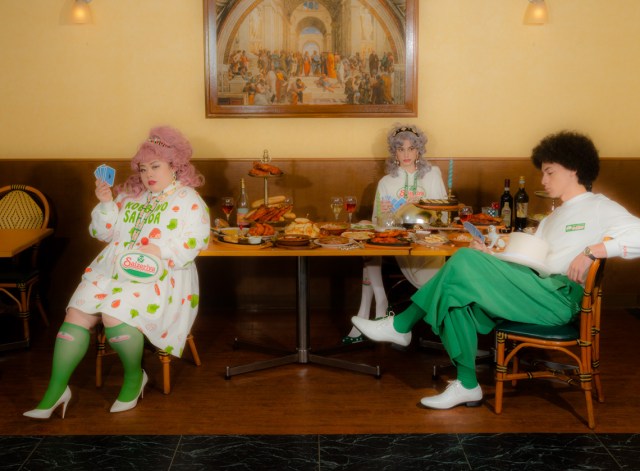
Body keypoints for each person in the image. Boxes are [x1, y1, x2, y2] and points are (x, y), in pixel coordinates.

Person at [352, 130, 640, 409]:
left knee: (462, 259)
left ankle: (400, 325)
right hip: (533, 289)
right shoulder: (553, 217)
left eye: (550, 172)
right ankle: (467, 385)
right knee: (455, 295)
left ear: (573, 169)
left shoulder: (598, 206)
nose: (543, 180)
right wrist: (491, 254)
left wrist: (594, 251)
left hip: (558, 299)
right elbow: (529, 259)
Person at [24, 126, 211, 419]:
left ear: (174, 165)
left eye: (156, 166)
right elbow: (103, 233)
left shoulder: (188, 199)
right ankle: (57, 390)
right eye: (143, 168)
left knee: (113, 315)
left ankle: (135, 377)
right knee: (76, 314)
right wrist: (106, 203)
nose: (148, 175)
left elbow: (197, 240)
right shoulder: (130, 195)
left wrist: (161, 250)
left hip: (160, 274)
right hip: (111, 268)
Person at [343, 124, 447, 344]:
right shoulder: (386, 182)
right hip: (399, 243)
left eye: (411, 148)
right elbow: (378, 223)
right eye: (401, 149)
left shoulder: (432, 175)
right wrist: (386, 214)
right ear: (394, 152)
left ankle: (377, 308)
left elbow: (443, 217)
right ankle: (380, 305)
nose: (406, 154)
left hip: (428, 243)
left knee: (370, 259)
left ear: (419, 150)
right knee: (368, 238)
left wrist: (422, 209)